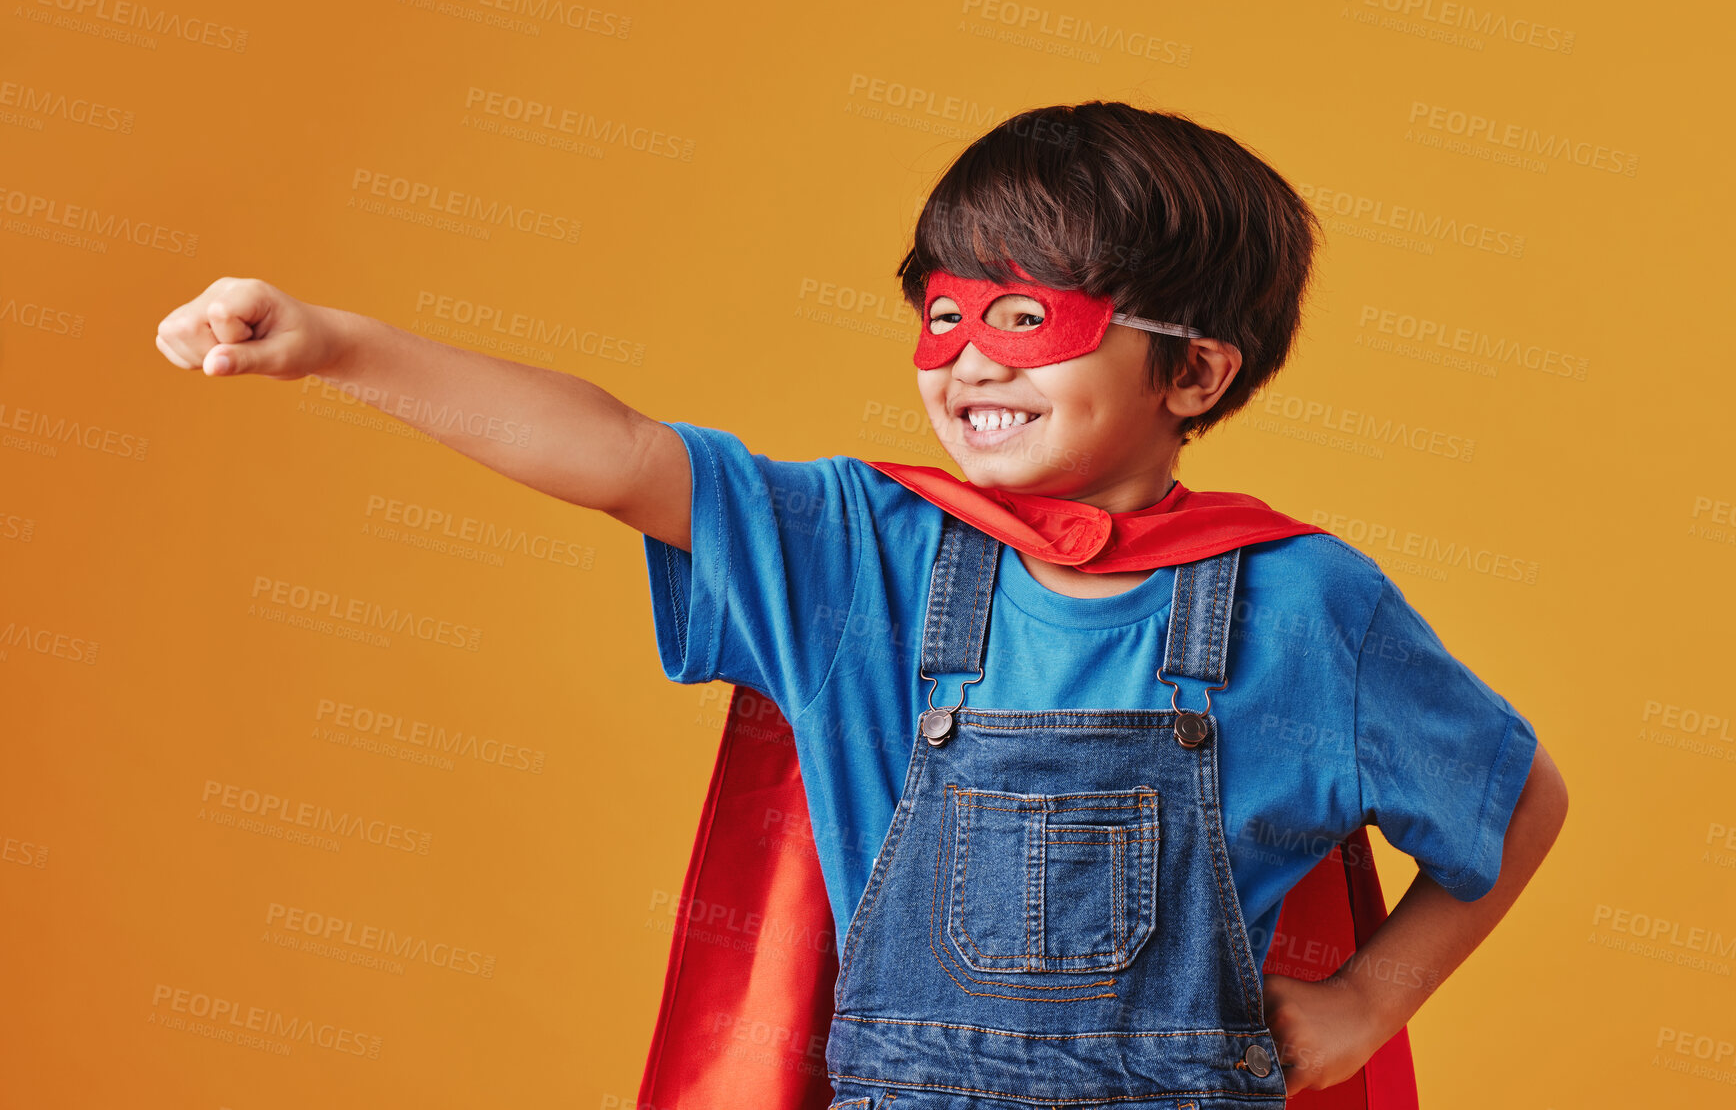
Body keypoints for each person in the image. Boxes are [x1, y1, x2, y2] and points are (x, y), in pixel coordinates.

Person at [153, 100, 1567, 1107]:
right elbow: (624, 453)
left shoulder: (1306, 603)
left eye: (1030, 321)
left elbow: (1511, 802)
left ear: (1192, 376)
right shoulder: (857, 549)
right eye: (946, 314)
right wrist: (335, 345)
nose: (968, 362)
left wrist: (1373, 999)